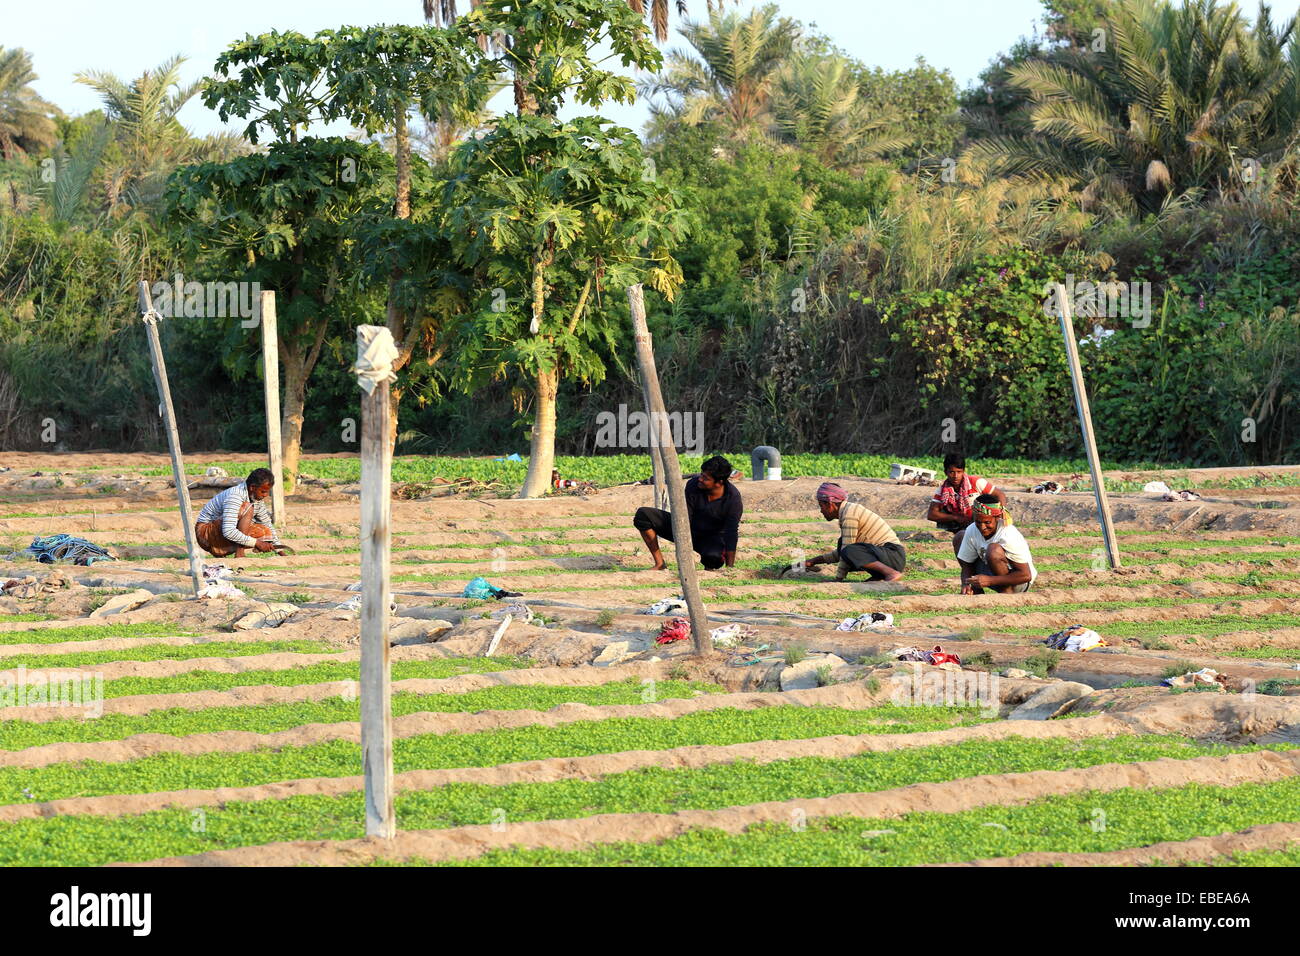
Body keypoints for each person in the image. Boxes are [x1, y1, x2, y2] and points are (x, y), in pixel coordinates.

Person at [633, 455, 742, 570]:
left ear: (719, 482)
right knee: (643, 515)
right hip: (686, 528)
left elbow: (731, 533)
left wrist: (730, 568)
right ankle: (660, 564)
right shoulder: (693, 484)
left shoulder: (732, 499)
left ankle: (709, 569)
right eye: (701, 474)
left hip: (711, 538)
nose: (700, 479)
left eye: (705, 478)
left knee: (713, 557)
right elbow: (684, 517)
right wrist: (683, 538)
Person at [804, 482, 905, 582]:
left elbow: (847, 550)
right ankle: (880, 576)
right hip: (889, 556)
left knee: (850, 550)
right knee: (844, 545)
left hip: (893, 554)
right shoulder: (847, 511)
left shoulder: (849, 514)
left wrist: (838, 579)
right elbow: (840, 554)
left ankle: (890, 573)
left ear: (830, 504)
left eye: (821, 506)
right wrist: (813, 561)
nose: (821, 511)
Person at [926, 453, 1007, 556]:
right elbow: (931, 514)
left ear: (963, 471)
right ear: (945, 472)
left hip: (983, 522)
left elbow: (999, 494)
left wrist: (1002, 510)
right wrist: (954, 517)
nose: (955, 476)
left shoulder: (976, 482)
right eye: (952, 472)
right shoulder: (942, 490)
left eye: (959, 472)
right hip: (963, 525)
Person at [195, 467, 286, 558]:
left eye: (267, 492)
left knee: (265, 531)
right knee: (248, 508)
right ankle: (239, 552)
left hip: (219, 533)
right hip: (205, 535)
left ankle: (228, 550)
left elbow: (267, 524)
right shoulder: (235, 496)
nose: (265, 495)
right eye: (263, 491)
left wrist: (280, 551)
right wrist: (257, 543)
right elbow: (228, 531)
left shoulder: (257, 499)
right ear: (252, 487)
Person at [957, 494, 1036, 594]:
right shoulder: (972, 530)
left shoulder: (1007, 534)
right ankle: (975, 592)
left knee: (993, 550)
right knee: (960, 537)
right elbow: (967, 565)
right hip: (991, 574)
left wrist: (989, 580)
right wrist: (966, 583)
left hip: (1017, 582)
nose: (982, 527)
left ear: (997, 518)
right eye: (978, 522)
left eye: (987, 522)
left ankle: (1006, 594)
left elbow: (1025, 575)